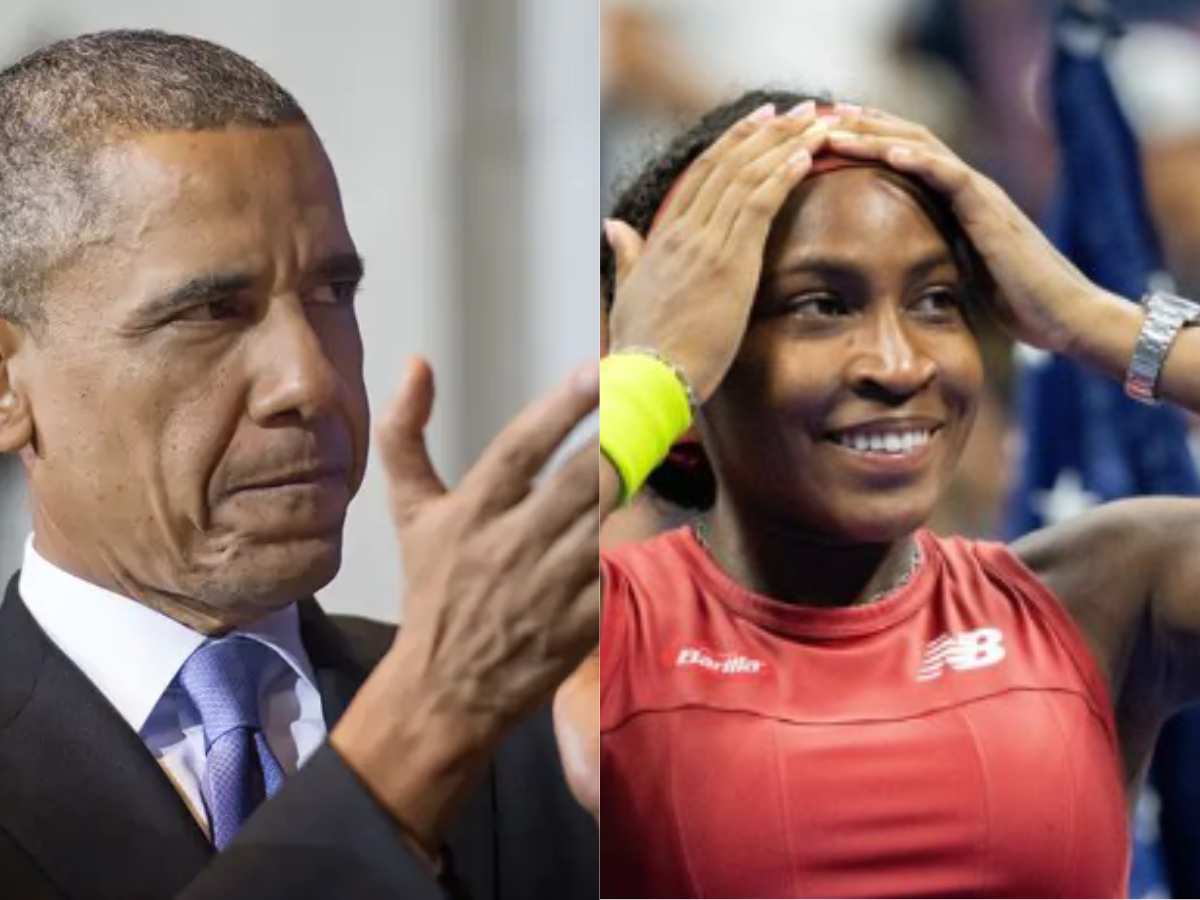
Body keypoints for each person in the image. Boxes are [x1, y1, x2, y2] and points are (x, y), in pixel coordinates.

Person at [0, 29, 598, 900]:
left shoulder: (538, 727)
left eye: (332, 295)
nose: (310, 380)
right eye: (210, 310)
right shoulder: (446, 711)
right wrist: (415, 744)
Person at [595, 87, 1200, 898]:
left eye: (936, 302)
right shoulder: (603, 632)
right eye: (820, 305)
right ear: (696, 357)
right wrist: (647, 379)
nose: (900, 362)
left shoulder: (1102, 595)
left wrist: (1094, 320)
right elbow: (481, 596)